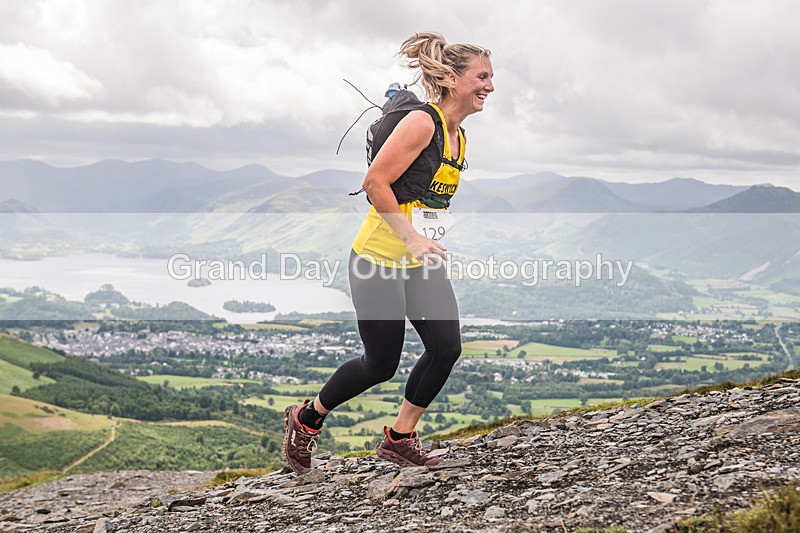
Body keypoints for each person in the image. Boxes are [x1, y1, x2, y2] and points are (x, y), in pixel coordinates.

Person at [283, 31, 494, 473]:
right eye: (482, 76)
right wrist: (412, 237)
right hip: (378, 258)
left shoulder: (459, 137)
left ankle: (400, 438)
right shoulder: (423, 123)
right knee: (380, 364)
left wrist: (425, 237)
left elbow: (427, 199)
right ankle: (305, 420)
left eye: (491, 78)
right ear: (453, 78)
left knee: (446, 346)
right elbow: (374, 183)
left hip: (418, 260)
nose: (489, 87)